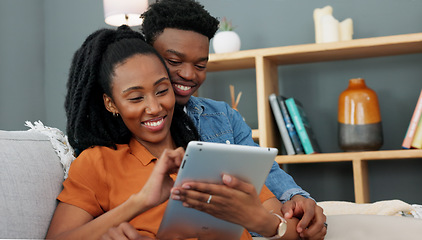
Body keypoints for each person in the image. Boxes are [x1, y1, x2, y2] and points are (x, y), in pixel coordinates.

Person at [46, 25, 301, 240]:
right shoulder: (98, 163)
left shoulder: (214, 154)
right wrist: (141, 201)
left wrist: (260, 221)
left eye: (162, 90)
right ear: (111, 103)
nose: (155, 108)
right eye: (135, 98)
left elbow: (293, 232)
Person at [140, 0, 326, 239]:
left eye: (200, 65)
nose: (188, 74)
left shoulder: (222, 116)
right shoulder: (129, 126)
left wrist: (296, 198)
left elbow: (264, 173)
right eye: (174, 62)